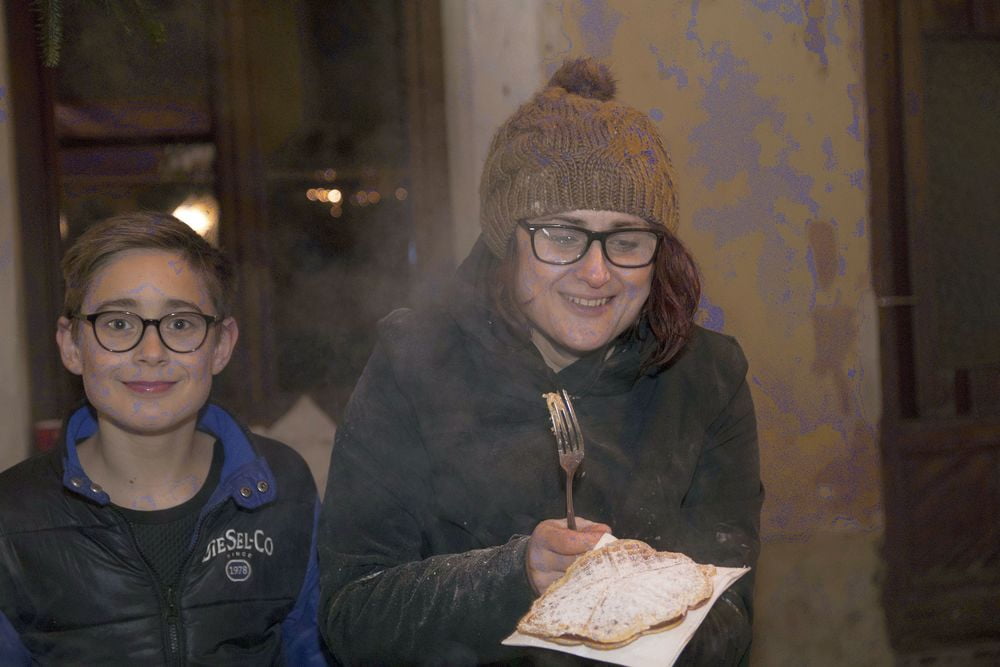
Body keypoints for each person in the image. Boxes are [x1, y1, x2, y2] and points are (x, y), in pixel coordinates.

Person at [318, 58, 763, 665]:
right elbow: (353, 615)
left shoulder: (705, 377)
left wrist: (630, 613)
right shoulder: (414, 364)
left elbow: (730, 615)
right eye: (563, 235)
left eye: (627, 240)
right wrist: (514, 577)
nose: (597, 272)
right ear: (508, 241)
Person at [0, 212, 328, 665]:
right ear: (72, 345)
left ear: (221, 345)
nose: (151, 353)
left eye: (180, 324)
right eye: (118, 323)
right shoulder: (11, 516)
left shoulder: (284, 487)